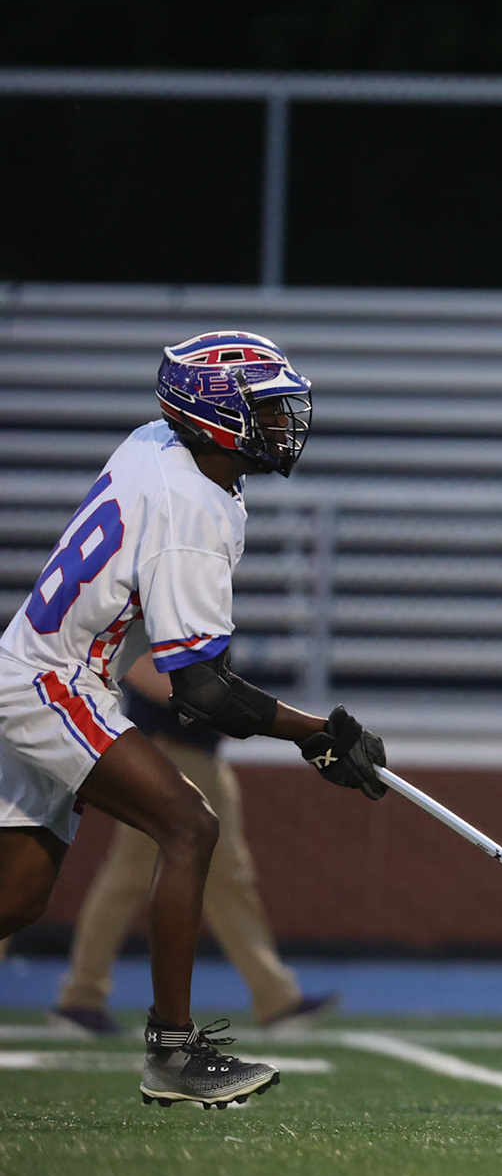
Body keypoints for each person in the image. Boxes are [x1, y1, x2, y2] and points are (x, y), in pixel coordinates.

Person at [0, 331, 390, 1108]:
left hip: (42, 666)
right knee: (189, 825)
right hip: (52, 680)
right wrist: (319, 733)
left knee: (17, 898)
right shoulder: (193, 508)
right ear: (215, 415)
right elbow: (201, 691)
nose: (284, 424)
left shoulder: (156, 443)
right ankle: (173, 1054)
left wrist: (314, 734)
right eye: (266, 409)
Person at [49, 651, 338, 1036]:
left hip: (196, 755)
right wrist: (222, 707)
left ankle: (275, 997)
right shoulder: (159, 598)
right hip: (166, 752)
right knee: (132, 874)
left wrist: (228, 708)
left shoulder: (191, 603)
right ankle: (80, 996)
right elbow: (138, 668)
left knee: (224, 879)